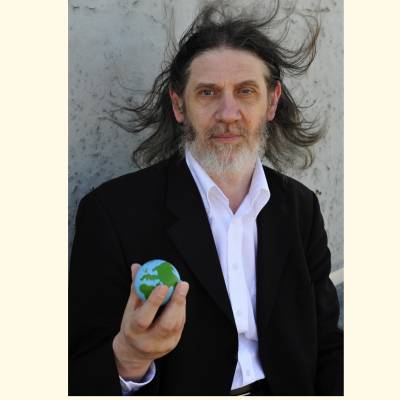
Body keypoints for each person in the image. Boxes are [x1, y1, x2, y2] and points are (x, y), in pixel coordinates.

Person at [69, 1, 343, 395]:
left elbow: (328, 346)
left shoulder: (301, 208)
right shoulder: (112, 213)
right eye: (208, 93)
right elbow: (76, 372)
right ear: (179, 105)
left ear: (271, 102)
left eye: (246, 91)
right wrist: (129, 358)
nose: (228, 113)